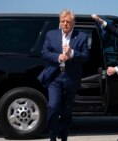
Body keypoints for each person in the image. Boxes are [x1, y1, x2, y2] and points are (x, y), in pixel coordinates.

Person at [38, 9, 89, 141]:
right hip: (55, 77)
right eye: (62, 21)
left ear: (73, 23)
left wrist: (72, 53)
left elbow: (85, 57)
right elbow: (44, 52)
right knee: (53, 108)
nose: (65, 23)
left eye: (68, 21)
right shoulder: (51, 34)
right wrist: (58, 57)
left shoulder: (82, 36)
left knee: (66, 111)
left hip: (71, 78)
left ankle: (64, 136)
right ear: (60, 22)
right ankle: (52, 136)